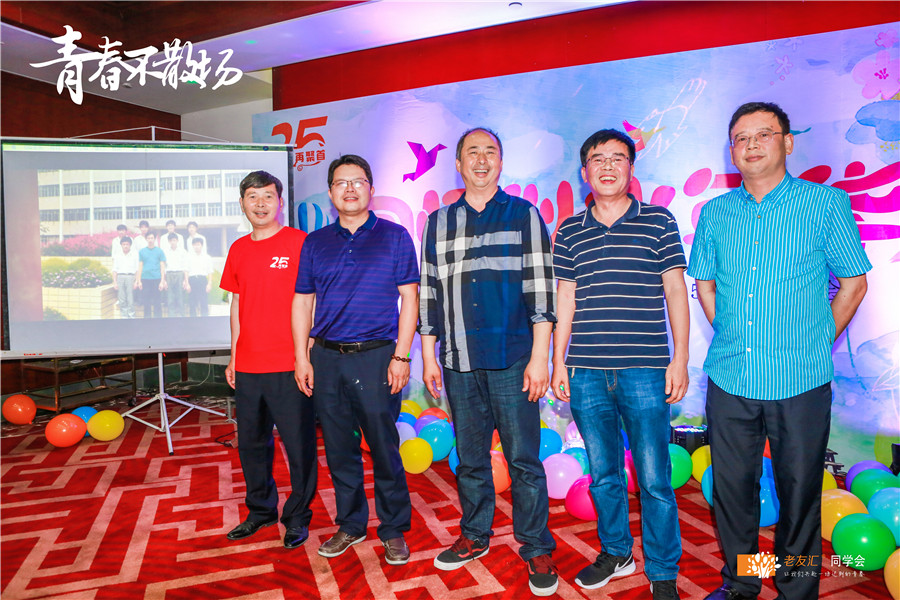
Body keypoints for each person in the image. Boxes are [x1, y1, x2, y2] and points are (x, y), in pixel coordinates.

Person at [688, 102, 870, 600]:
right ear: (731, 151)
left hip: (801, 380)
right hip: (731, 377)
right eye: (740, 138)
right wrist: (730, 333)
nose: (751, 145)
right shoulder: (716, 212)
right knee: (733, 492)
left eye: (763, 134)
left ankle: (795, 589)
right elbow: (705, 285)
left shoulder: (824, 203)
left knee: (799, 492)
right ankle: (743, 581)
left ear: (787, 142)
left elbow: (854, 284)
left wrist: (815, 340)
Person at [419, 127, 559, 596]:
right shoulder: (438, 222)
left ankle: (536, 544)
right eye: (472, 153)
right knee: (471, 458)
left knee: (523, 460)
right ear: (458, 164)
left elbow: (541, 289)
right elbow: (429, 293)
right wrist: (428, 356)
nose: (481, 160)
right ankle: (475, 534)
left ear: (500, 162)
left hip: (514, 359)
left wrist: (540, 357)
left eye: (490, 152)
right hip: (457, 359)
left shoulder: (523, 214)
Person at [551, 129, 688, 600]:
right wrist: (558, 362)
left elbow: (675, 290)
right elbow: (565, 299)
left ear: (631, 167)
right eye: (598, 159)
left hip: (645, 371)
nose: (607, 166)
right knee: (604, 473)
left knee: (654, 479)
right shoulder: (570, 230)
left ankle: (663, 570)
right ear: (584, 171)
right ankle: (616, 552)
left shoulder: (658, 221)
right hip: (586, 371)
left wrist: (680, 358)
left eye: (617, 158)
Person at [292, 154, 419, 566]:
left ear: (371, 189)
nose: (350, 189)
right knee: (338, 447)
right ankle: (351, 523)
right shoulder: (315, 242)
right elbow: (303, 302)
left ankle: (394, 528)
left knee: (383, 446)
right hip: (326, 358)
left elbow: (410, 298)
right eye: (341, 183)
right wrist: (301, 356)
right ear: (330, 192)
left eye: (358, 181)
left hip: (377, 357)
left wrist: (402, 355)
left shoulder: (395, 236)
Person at [220, 170, 317, 550]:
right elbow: (236, 304)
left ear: (280, 202)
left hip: (290, 365)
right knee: (251, 445)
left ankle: (297, 517)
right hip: (248, 366)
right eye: (252, 197)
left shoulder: (299, 243)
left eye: (267, 196)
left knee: (299, 446)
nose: (260, 204)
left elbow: (313, 300)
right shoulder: (238, 249)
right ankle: (260, 511)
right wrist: (233, 356)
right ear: (242, 203)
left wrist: (306, 352)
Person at [135, 231, 166, 318]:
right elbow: (140, 266)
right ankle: (147, 321)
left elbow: (162, 266)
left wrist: (162, 281)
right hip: (145, 279)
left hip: (157, 279)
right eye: (148, 238)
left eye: (152, 238)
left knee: (157, 302)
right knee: (146, 302)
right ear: (146, 239)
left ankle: (158, 321)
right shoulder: (142, 251)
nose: (150, 240)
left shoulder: (159, 251)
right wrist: (139, 280)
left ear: (154, 239)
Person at [112, 236, 138, 318]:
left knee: (130, 299)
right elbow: (114, 270)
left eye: (127, 244)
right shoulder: (117, 255)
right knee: (122, 299)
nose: (125, 246)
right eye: (124, 244)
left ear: (130, 245)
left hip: (130, 277)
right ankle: (124, 317)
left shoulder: (135, 255)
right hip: (120, 277)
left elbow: (137, 269)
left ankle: (131, 317)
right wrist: (115, 282)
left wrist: (136, 281)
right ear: (121, 245)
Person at [186, 237, 213, 317]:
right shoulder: (189, 257)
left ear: (201, 245)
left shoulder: (207, 257)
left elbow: (210, 272)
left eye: (198, 244)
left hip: (202, 280)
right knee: (192, 303)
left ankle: (204, 320)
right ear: (192, 246)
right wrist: (187, 283)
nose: (196, 246)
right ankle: (193, 321)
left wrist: (209, 284)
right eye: (195, 245)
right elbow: (186, 271)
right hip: (192, 280)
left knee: (203, 302)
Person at [165, 233, 188, 317]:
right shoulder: (166, 252)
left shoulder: (182, 251)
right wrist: (164, 280)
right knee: (170, 297)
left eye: (174, 240)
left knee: (180, 296)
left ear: (177, 241)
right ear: (169, 241)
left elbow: (185, 266)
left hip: (179, 274)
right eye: (171, 240)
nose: (173, 242)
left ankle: (181, 316)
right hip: (169, 274)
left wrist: (185, 280)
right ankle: (171, 316)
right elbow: (164, 267)